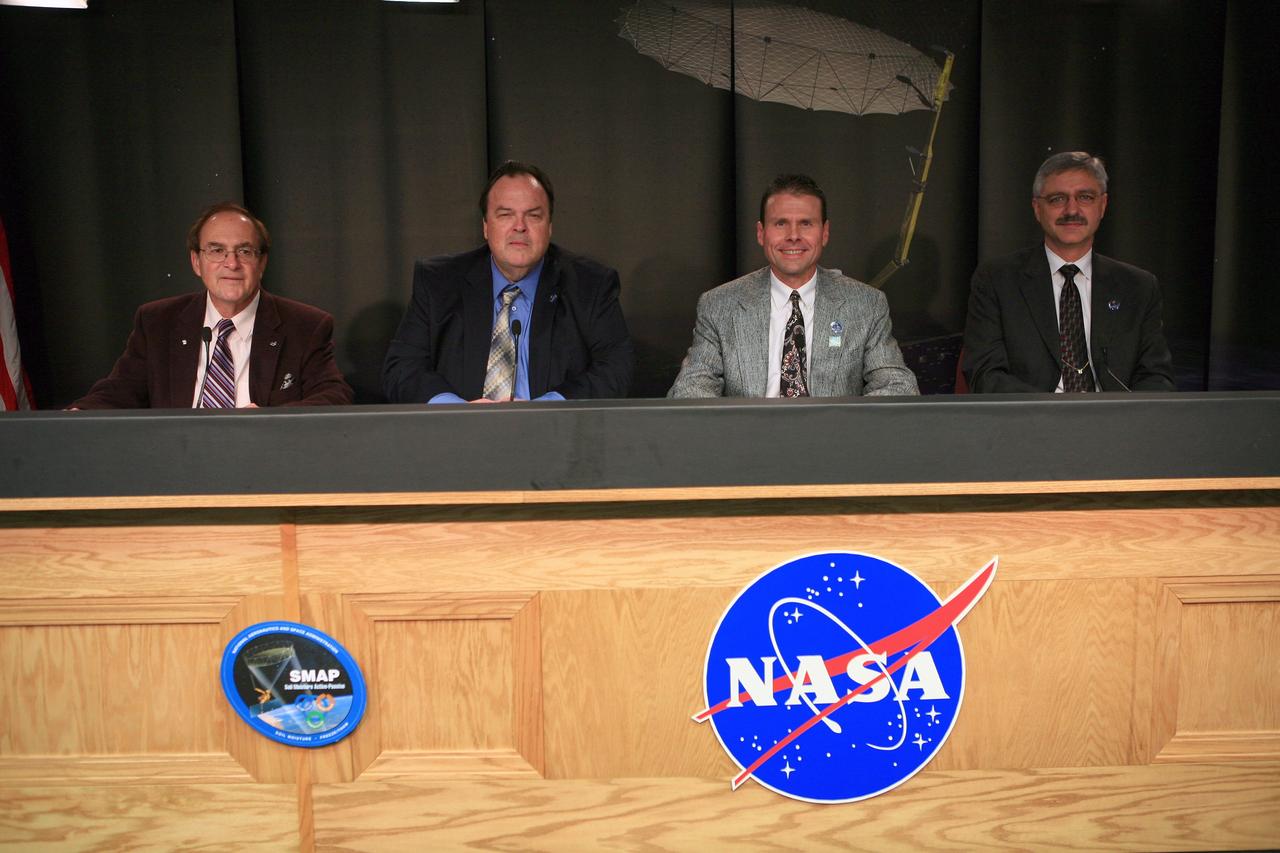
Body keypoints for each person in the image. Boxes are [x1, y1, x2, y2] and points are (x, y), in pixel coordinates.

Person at [383, 161, 634, 403]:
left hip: (555, 434)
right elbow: (402, 368)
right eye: (505, 215)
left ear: (549, 227)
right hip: (457, 435)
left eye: (533, 216)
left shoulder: (590, 285)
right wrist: (457, 411)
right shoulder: (439, 282)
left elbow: (616, 367)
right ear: (485, 226)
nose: (520, 227)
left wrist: (549, 408)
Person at [71, 203, 352, 409]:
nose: (231, 263)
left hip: (264, 463)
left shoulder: (304, 326)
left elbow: (333, 395)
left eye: (244, 251)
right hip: (177, 463)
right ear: (196, 262)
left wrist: (270, 421)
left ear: (262, 262)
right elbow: (119, 391)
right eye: (217, 250)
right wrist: (76, 415)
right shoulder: (158, 322)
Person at [668, 174, 918, 398]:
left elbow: (897, 386)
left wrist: (845, 433)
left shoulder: (866, 305)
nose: (793, 235)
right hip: (748, 443)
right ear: (760, 233)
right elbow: (691, 388)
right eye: (780, 223)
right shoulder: (719, 305)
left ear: (825, 233)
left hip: (834, 443)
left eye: (806, 223)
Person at [962, 151, 1174, 393]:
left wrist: (1119, 420)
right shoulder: (996, 280)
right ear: (1037, 209)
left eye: (1085, 197)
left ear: (1102, 206)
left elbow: (1157, 377)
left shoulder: (1138, 287)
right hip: (1031, 423)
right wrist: (1058, 417)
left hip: (1115, 423)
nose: (1072, 210)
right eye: (1057, 199)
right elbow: (985, 375)